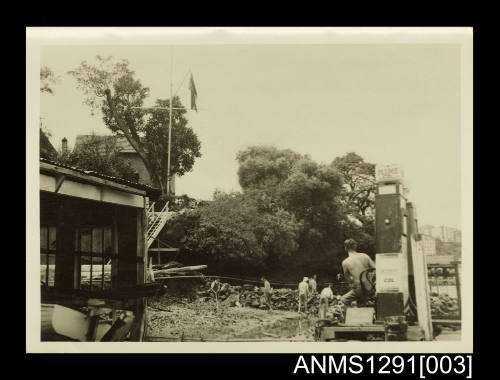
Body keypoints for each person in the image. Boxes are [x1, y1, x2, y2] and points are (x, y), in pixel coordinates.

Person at [341, 238, 376, 306]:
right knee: (360, 299)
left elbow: (348, 279)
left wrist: (353, 284)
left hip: (359, 290)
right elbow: (376, 269)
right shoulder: (365, 256)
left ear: (345, 248)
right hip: (370, 288)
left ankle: (351, 315)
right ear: (355, 246)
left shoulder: (345, 262)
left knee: (343, 300)